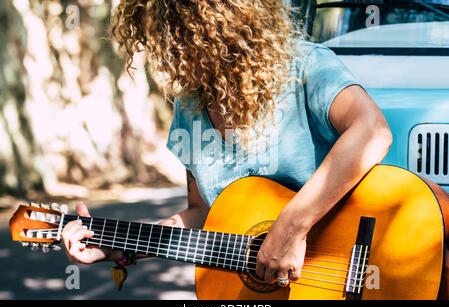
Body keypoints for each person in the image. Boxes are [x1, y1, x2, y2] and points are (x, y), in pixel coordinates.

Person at [61, 0, 392, 288]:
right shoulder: (188, 107)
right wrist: (118, 247)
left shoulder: (305, 67)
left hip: (354, 262)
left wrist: (291, 227)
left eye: (177, 35)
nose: (167, 54)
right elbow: (202, 212)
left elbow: (372, 130)